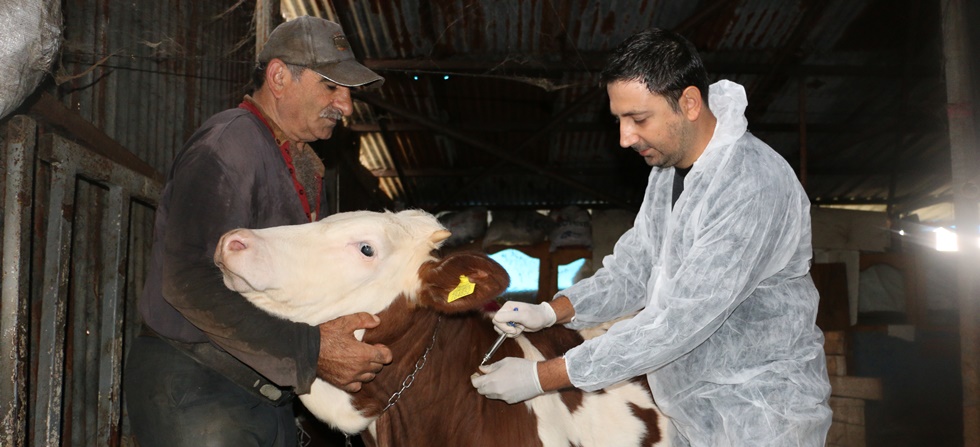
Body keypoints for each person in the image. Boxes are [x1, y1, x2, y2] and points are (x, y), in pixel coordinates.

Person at [471, 28, 833, 446]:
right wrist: (552, 312)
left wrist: (542, 376)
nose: (625, 138)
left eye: (639, 119)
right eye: (619, 120)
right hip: (690, 413)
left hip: (761, 417)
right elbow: (633, 269)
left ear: (690, 103)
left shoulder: (751, 183)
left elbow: (678, 323)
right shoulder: (668, 174)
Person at [124, 16, 393, 446]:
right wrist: (312, 352)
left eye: (348, 93)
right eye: (331, 86)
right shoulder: (230, 143)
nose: (345, 106)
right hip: (198, 389)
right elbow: (188, 280)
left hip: (259, 395)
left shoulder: (298, 161)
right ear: (280, 76)